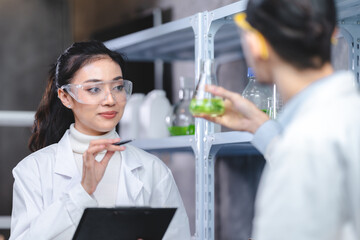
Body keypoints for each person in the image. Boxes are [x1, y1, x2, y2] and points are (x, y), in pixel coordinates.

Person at [198, 0, 360, 239]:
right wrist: (259, 126)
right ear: (332, 32)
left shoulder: (304, 146)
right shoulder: (345, 112)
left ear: (256, 44)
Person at [10, 41, 191, 240]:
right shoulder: (33, 171)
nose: (110, 100)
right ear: (65, 97)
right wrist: (82, 191)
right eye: (94, 89)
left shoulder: (153, 170)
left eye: (118, 87)